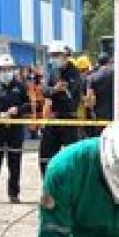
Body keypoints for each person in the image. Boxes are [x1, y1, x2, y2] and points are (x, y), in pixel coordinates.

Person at [0, 54, 31, 204]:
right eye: (3, 69)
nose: (6, 72)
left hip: (15, 130)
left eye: (9, 69)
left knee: (14, 163)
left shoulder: (20, 86)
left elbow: (28, 105)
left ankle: (13, 194)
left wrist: (18, 109)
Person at [40, 41, 84, 176]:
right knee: (46, 154)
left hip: (69, 120)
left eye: (57, 55)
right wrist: (55, 90)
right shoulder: (52, 72)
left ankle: (72, 184)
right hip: (53, 118)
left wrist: (56, 92)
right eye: (52, 55)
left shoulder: (74, 73)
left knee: (72, 156)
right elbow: (44, 91)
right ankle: (47, 183)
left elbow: (68, 95)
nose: (54, 58)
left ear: (65, 56)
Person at [85, 52, 115, 138]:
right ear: (109, 62)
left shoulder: (92, 77)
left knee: (101, 138)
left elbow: (89, 98)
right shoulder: (116, 75)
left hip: (100, 115)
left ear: (98, 63)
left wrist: (91, 111)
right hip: (115, 112)